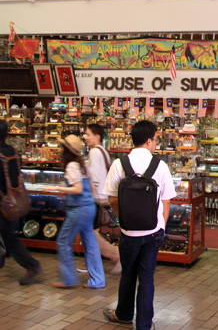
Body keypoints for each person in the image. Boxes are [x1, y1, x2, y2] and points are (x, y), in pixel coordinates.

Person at [102, 120, 176, 329]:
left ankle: (124, 315)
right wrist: (161, 227)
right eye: (154, 140)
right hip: (153, 232)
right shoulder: (159, 166)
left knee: (128, 275)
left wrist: (124, 219)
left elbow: (113, 199)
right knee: (146, 278)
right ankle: (144, 324)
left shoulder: (119, 164)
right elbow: (166, 202)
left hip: (128, 232)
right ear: (149, 140)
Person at [43, 135, 105, 289]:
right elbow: (91, 187)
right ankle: (97, 279)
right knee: (90, 244)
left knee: (63, 241)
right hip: (88, 207)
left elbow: (77, 189)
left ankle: (68, 279)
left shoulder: (71, 165)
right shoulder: (83, 163)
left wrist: (56, 188)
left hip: (78, 209)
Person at [0, 120, 43, 285]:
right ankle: (31, 265)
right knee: (9, 236)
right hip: (12, 201)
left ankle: (31, 265)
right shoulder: (12, 151)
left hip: (3, 202)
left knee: (9, 237)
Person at [79, 124, 121, 275]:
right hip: (102, 197)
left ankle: (116, 256)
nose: (85, 137)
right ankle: (91, 263)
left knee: (91, 235)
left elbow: (95, 178)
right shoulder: (102, 151)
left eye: (88, 134)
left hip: (97, 198)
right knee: (91, 234)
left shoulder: (95, 152)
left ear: (97, 136)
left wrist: (92, 197)